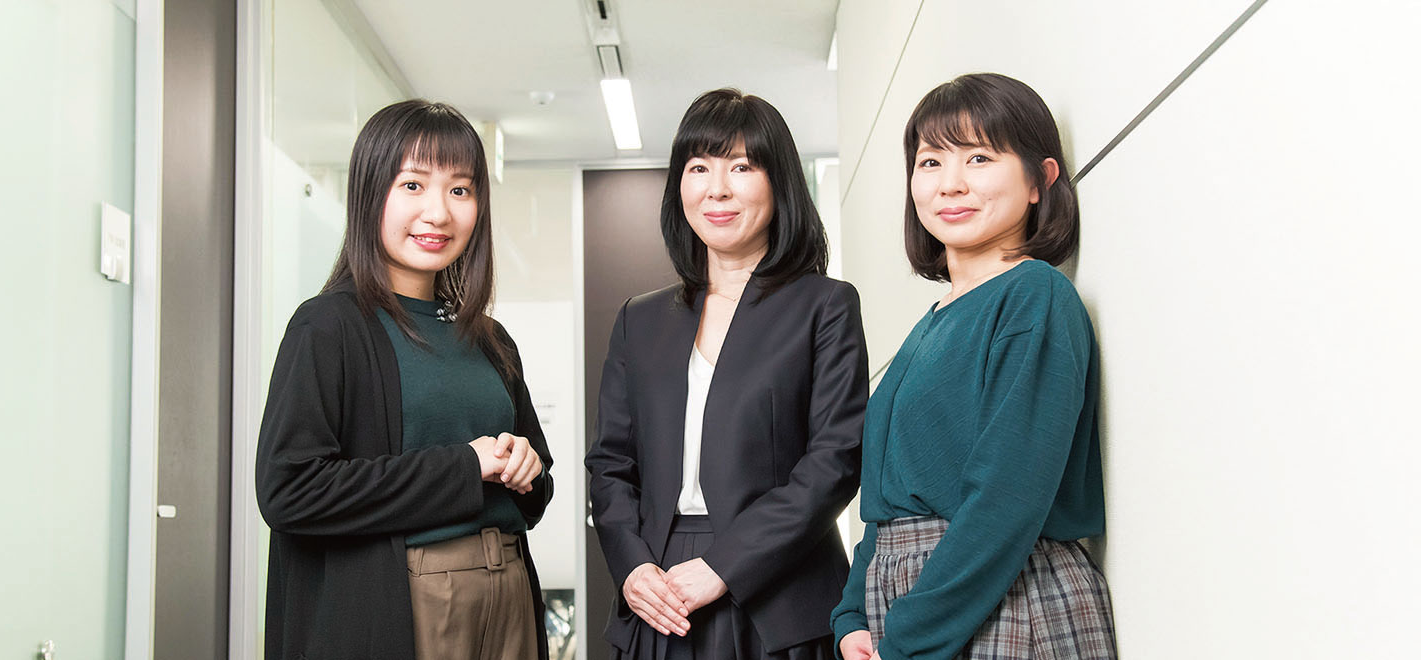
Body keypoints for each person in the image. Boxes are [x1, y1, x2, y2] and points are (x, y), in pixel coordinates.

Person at [830, 73, 1118, 660]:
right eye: (930, 162)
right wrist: (854, 614)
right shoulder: (934, 320)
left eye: (979, 157)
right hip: (918, 609)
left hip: (1002, 601)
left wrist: (907, 638)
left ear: (1040, 180)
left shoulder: (1033, 297)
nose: (950, 183)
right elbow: (887, 503)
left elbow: (1005, 498)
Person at [256, 99, 553, 660]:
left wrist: (525, 466)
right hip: (403, 604)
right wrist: (465, 466)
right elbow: (289, 491)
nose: (438, 213)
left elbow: (537, 493)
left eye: (460, 190)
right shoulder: (328, 326)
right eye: (412, 185)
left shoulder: (490, 338)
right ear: (371, 194)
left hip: (508, 593)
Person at [585, 88, 869, 660]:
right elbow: (611, 463)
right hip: (660, 591)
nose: (717, 188)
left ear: (778, 182)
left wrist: (723, 566)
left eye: (741, 166)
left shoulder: (825, 306)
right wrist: (632, 566)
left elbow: (835, 460)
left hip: (778, 590)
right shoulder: (641, 318)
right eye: (699, 168)